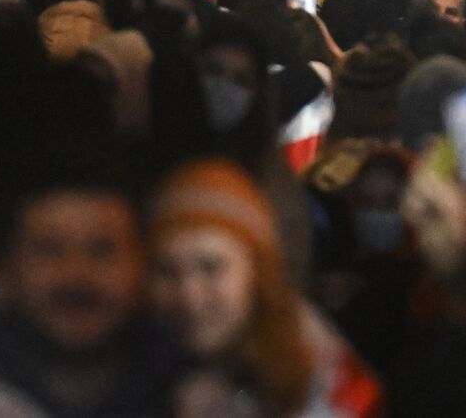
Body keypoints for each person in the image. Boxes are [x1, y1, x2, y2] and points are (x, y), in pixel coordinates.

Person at [149, 158, 381, 418]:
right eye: (167, 271)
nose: (189, 296)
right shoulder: (144, 369)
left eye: (211, 268)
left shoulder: (326, 388)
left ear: (258, 271)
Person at [0, 167, 179, 418]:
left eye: (102, 250)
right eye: (49, 250)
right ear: (2, 273)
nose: (76, 273)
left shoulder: (201, 403)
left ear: (142, 267)